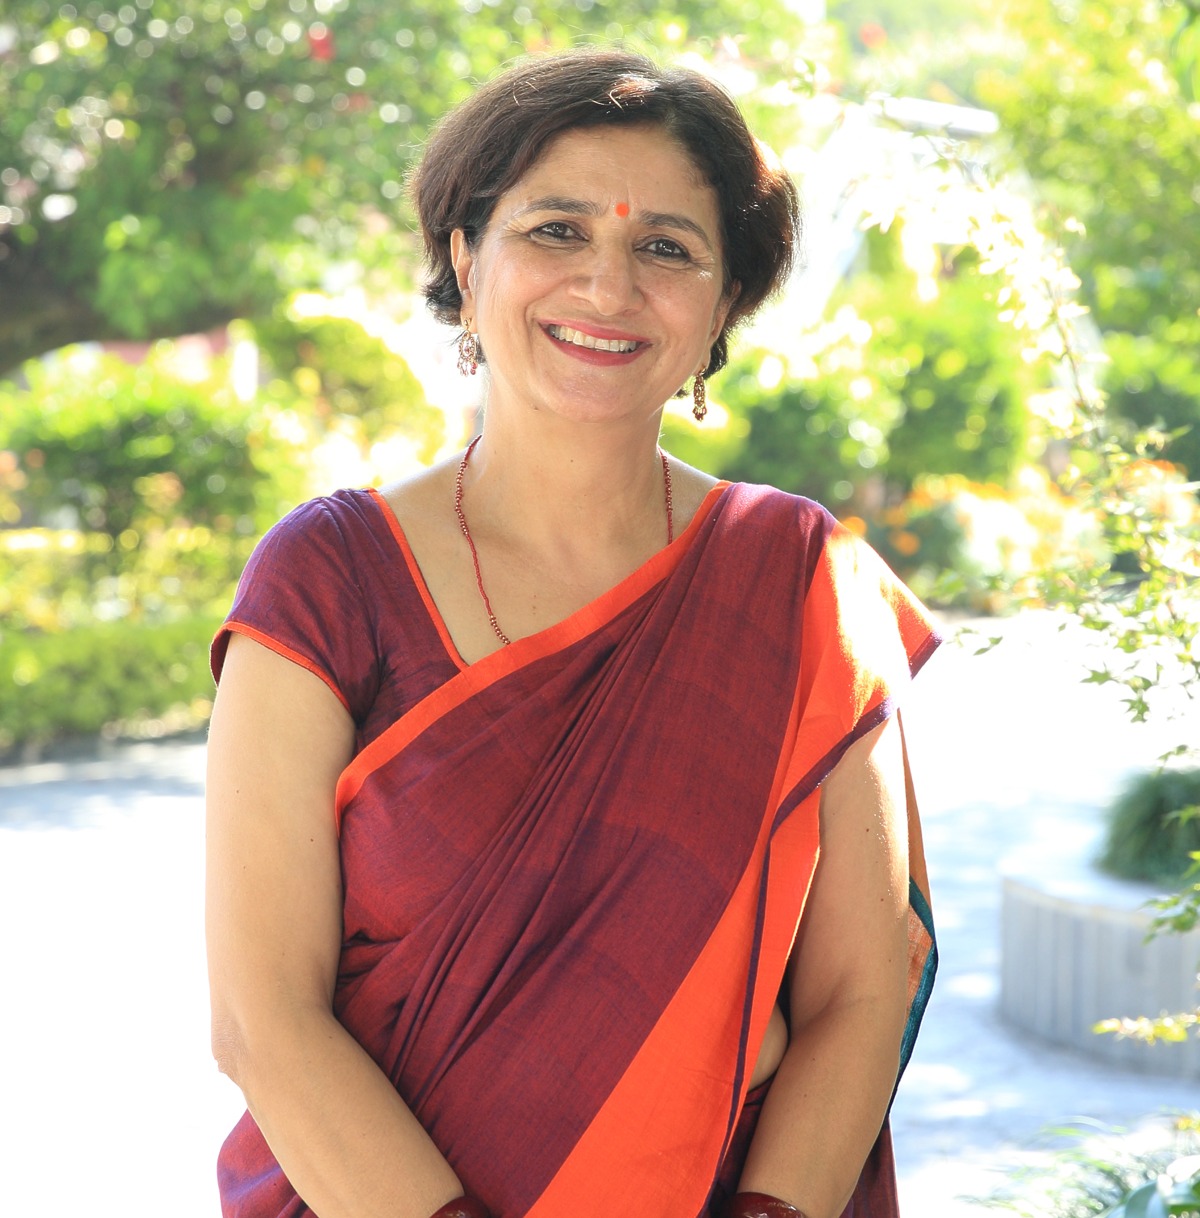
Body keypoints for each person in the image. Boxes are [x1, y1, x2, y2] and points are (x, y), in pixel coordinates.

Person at [205, 47, 940, 1218]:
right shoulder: (328, 578)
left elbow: (864, 987)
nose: (607, 287)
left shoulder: (800, 578)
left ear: (724, 303)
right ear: (466, 259)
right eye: (556, 231)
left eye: (668, 249)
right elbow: (262, 1019)